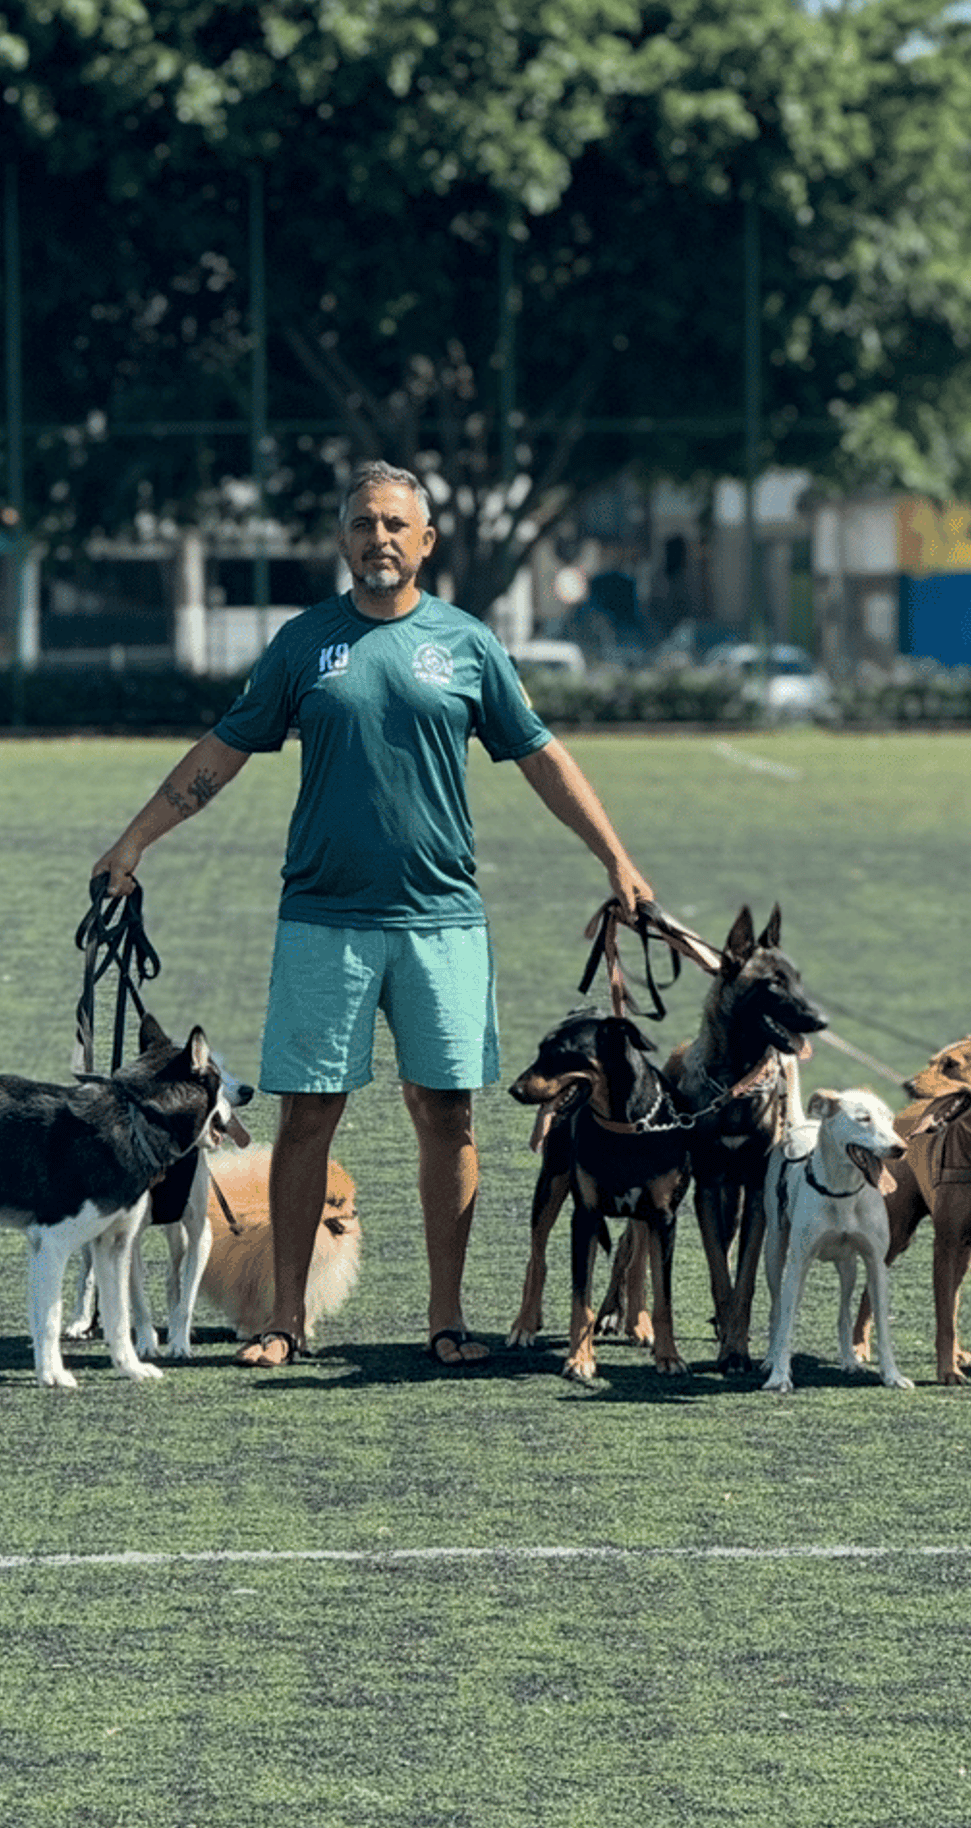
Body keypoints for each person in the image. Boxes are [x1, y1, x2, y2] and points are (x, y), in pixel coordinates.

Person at [93, 466, 656, 1369]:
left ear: (426, 542)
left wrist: (616, 858)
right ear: (343, 540)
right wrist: (135, 842)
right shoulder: (303, 643)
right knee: (309, 1115)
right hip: (325, 919)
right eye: (363, 524)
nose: (379, 538)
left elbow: (541, 755)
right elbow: (226, 749)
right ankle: (284, 1319)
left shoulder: (468, 645)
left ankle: (446, 1317)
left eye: (397, 524)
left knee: (449, 1116)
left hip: (443, 922)